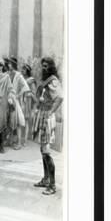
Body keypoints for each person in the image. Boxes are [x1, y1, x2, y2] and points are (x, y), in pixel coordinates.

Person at [32, 57, 63, 195]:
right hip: (42, 114)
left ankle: (52, 185)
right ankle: (45, 179)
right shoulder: (46, 81)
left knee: (46, 151)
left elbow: (60, 97)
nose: (44, 68)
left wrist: (51, 112)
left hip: (47, 116)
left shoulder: (53, 81)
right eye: (42, 66)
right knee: (43, 149)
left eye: (46, 66)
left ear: (51, 67)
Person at [6, 57, 30, 149]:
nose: (8, 65)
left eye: (10, 64)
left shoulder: (18, 75)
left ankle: (19, 142)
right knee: (9, 121)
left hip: (15, 101)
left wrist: (18, 95)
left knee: (18, 122)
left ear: (14, 65)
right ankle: (10, 140)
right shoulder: (7, 74)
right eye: (8, 64)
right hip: (8, 100)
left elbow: (26, 87)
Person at [21, 64, 37, 144]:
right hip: (21, 100)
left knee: (26, 121)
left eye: (24, 70)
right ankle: (20, 138)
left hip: (27, 102)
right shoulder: (22, 79)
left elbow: (34, 93)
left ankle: (25, 140)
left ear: (27, 71)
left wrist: (29, 94)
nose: (22, 71)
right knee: (20, 121)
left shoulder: (31, 80)